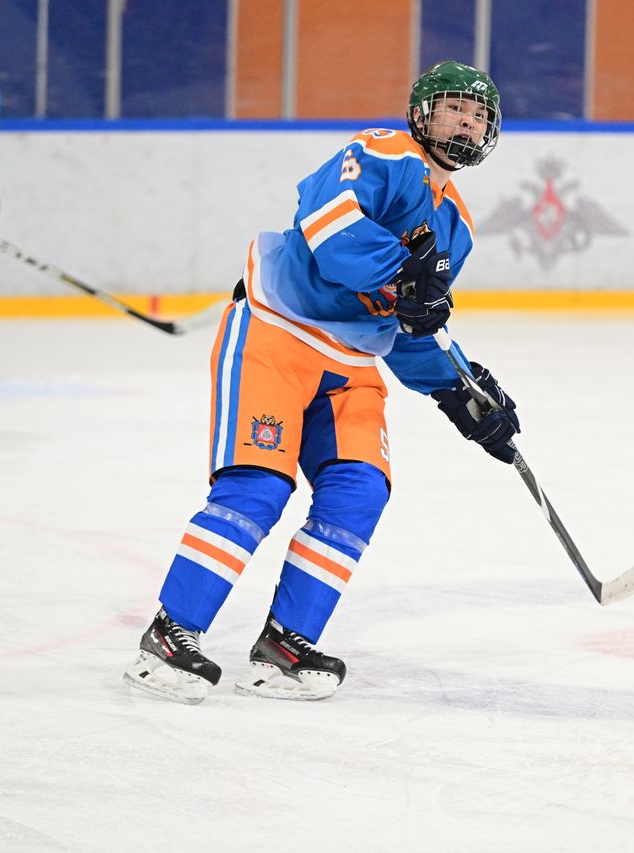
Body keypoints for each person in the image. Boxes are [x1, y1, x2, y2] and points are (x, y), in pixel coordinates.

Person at [123, 61, 521, 705]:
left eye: (478, 116)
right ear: (422, 113)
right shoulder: (384, 151)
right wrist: (402, 273)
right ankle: (170, 636)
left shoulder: (458, 228)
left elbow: (410, 323)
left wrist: (459, 390)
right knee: (258, 486)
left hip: (352, 364)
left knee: (359, 491)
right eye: (454, 108)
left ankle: (286, 645)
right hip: (277, 334)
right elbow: (326, 221)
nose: (466, 123)